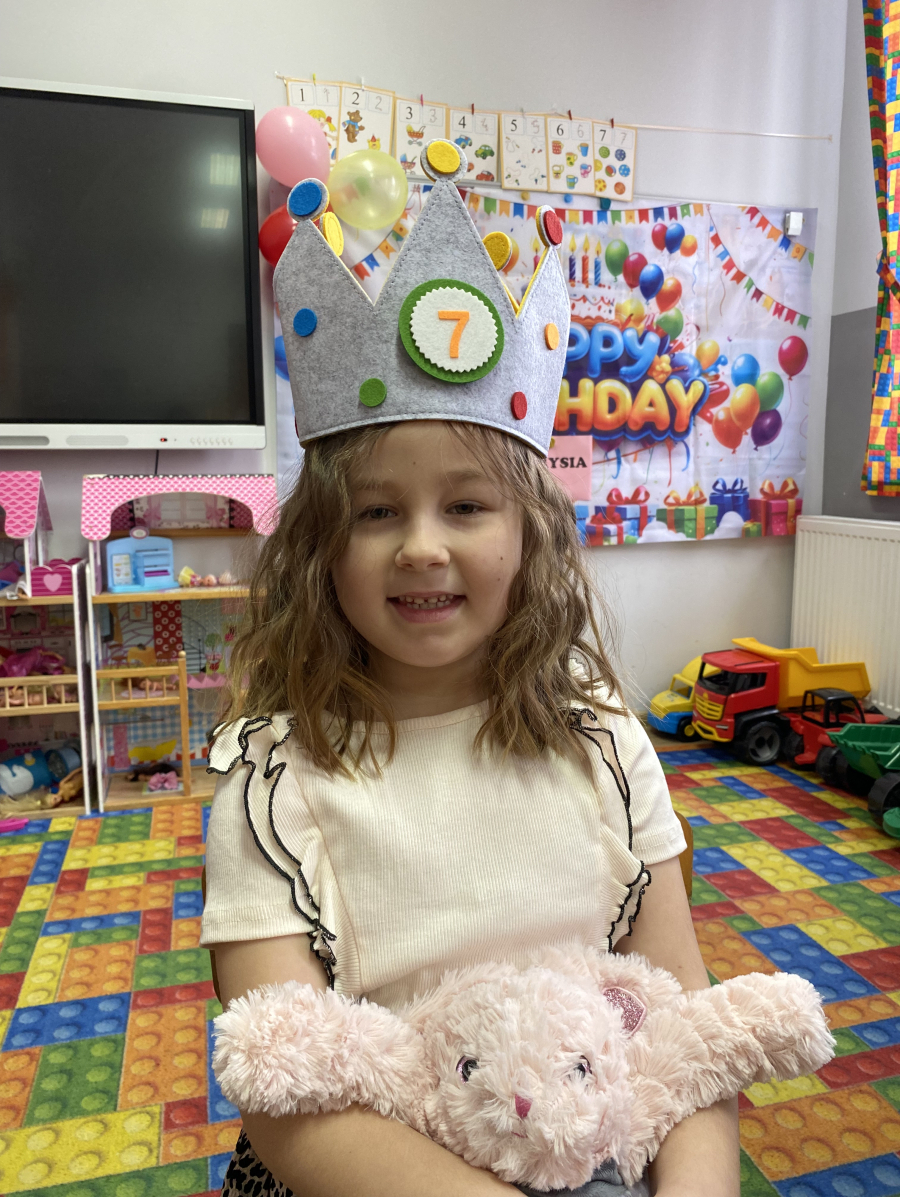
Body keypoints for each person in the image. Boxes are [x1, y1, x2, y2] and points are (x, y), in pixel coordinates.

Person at [200, 141, 740, 1197]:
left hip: (593, 1148)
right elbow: (286, 1101)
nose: (421, 547)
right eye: (375, 512)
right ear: (320, 549)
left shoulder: (602, 742)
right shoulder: (276, 787)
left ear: (529, 532)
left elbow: (683, 1020)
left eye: (466, 505)